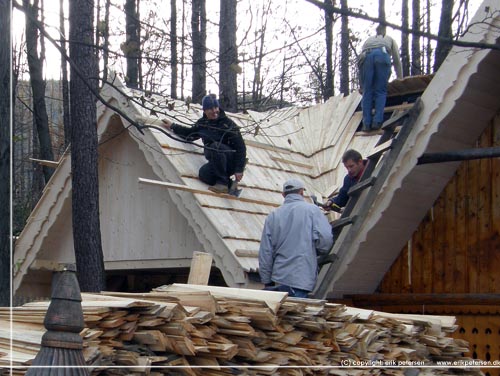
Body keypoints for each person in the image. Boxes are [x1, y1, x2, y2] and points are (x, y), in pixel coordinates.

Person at [258, 178, 334, 298]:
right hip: (302, 277)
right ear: (301, 192)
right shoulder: (312, 211)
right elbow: (325, 238)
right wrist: (320, 251)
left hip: (280, 278)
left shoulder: (273, 216)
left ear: (283, 195)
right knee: (296, 315)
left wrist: (267, 280)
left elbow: (265, 251)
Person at [162, 94, 246, 194]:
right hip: (216, 162)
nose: (215, 111)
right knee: (204, 174)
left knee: (215, 146)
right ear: (205, 110)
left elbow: (241, 147)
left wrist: (239, 169)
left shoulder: (228, 124)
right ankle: (230, 186)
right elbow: (189, 134)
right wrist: (173, 126)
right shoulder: (202, 124)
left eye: (216, 107)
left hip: (230, 162)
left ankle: (222, 184)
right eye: (211, 108)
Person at [358, 24, 403, 132]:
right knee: (380, 90)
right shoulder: (390, 39)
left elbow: (360, 63)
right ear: (384, 31)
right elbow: (396, 60)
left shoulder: (368, 40)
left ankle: (366, 123)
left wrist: (362, 83)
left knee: (367, 91)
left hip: (366, 57)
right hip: (382, 55)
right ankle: (377, 121)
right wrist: (400, 78)